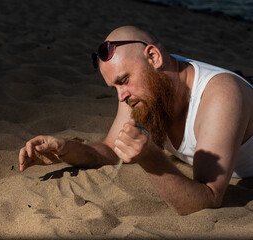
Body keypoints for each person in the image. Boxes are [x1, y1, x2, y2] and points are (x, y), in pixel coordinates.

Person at [19, 26, 253, 215]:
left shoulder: (221, 94)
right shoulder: (143, 91)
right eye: (115, 87)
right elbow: (110, 150)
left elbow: (208, 198)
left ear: (154, 57)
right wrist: (65, 149)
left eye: (124, 80)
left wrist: (150, 157)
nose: (121, 96)